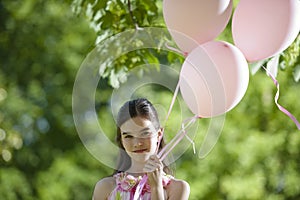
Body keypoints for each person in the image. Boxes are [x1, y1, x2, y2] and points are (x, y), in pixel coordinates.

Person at [93, 98, 190, 199]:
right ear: (121, 140)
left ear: (159, 134)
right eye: (128, 136)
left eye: (145, 133)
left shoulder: (177, 188)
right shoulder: (105, 188)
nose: (137, 143)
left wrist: (156, 188)